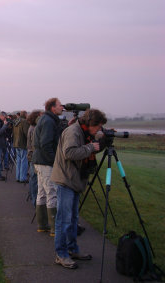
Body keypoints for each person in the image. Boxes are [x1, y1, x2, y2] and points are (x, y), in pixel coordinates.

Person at [51, 109, 107, 269]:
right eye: (98, 127)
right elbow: (69, 152)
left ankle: (72, 249)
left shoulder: (84, 132)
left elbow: (89, 149)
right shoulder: (73, 131)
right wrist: (90, 147)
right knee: (64, 220)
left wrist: (101, 143)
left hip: (74, 179)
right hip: (65, 180)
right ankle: (61, 254)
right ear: (90, 123)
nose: (99, 130)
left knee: (73, 219)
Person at [32, 98, 64, 236]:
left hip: (39, 161)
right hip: (45, 163)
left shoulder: (44, 119)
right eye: (59, 105)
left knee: (42, 193)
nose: (62, 107)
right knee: (52, 193)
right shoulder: (49, 121)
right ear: (52, 108)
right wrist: (54, 161)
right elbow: (46, 144)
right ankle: (54, 228)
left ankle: (42, 224)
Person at [26, 110, 43, 207]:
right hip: (34, 155)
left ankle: (34, 199)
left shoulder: (32, 127)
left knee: (33, 178)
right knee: (34, 178)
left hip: (31, 154)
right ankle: (35, 200)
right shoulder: (34, 129)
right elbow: (34, 144)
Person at [13, 110, 30, 183]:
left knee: (19, 161)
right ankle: (23, 177)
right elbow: (27, 133)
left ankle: (18, 176)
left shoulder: (15, 122)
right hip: (23, 143)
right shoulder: (24, 122)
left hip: (16, 143)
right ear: (25, 114)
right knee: (24, 161)